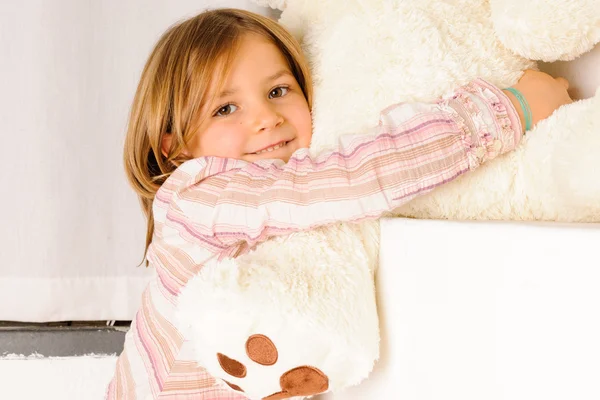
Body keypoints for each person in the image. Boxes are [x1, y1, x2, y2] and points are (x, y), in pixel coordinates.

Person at [106, 7, 573, 400]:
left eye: (277, 91)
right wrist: (503, 111)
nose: (266, 118)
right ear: (174, 148)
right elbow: (348, 178)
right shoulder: (199, 194)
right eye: (225, 108)